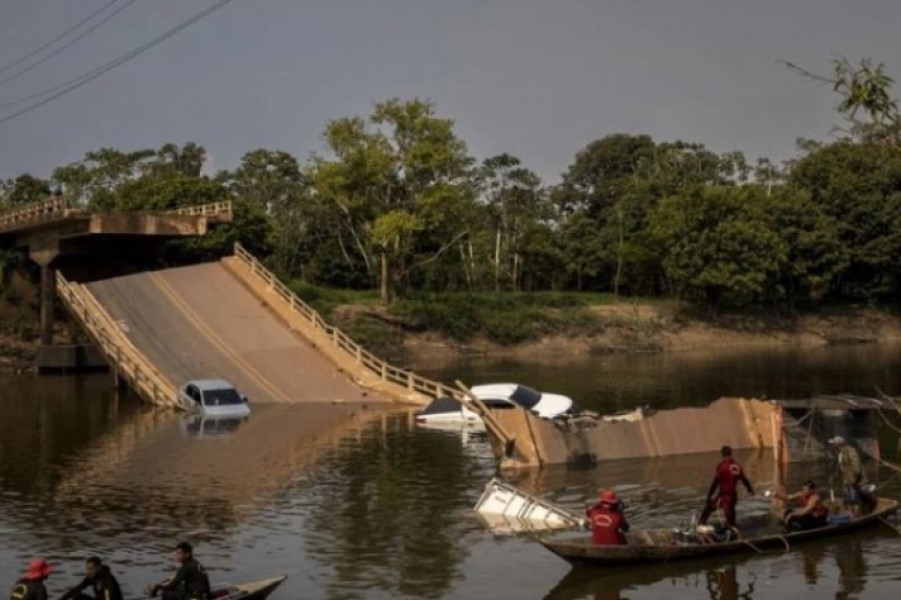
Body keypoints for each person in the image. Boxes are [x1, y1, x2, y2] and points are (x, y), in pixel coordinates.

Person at [699, 445, 754, 531]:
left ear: (722, 454)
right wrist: (750, 489)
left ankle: (702, 526)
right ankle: (733, 527)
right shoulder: (737, 466)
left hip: (724, 496)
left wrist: (709, 495)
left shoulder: (722, 467)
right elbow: (744, 480)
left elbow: (715, 482)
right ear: (731, 453)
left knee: (708, 509)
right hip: (733, 496)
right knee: (731, 515)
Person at [828, 436, 872, 517]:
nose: (832, 445)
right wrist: (834, 478)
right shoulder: (839, 453)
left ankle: (857, 516)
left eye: (833, 443)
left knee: (854, 499)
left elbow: (856, 465)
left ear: (838, 444)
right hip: (846, 481)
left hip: (854, 481)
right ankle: (851, 515)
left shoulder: (850, 450)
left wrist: (853, 479)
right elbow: (840, 468)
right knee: (847, 500)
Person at [58, 557, 123, 600]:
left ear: (98, 568)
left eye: (90, 569)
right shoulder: (92, 576)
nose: (88, 572)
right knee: (76, 594)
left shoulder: (107, 580)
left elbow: (108, 598)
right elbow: (78, 588)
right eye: (87, 569)